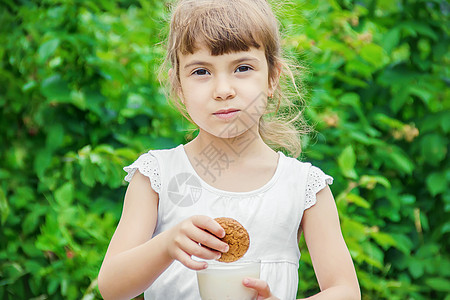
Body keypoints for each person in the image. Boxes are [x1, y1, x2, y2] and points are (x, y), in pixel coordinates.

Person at [98, 0, 361, 299]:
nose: (223, 89)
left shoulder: (302, 186)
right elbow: (111, 287)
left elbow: (346, 291)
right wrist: (167, 244)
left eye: (243, 68)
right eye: (201, 72)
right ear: (179, 86)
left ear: (273, 77)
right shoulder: (158, 176)